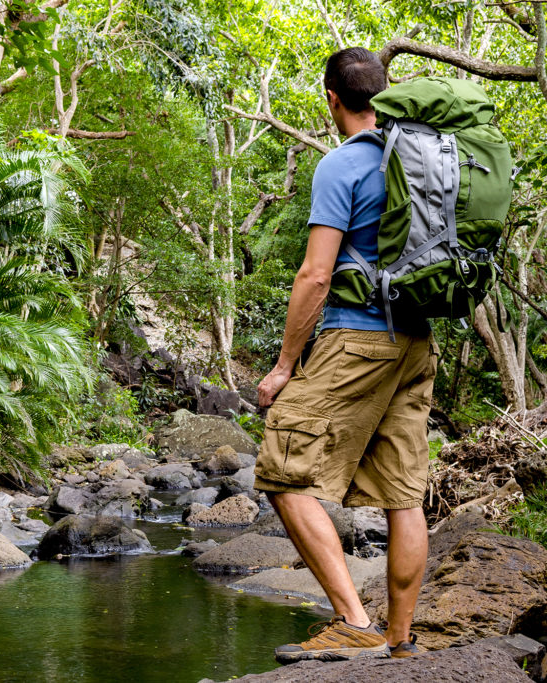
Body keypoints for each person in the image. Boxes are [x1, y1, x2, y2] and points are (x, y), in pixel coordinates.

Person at [254, 47, 436, 663]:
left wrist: (284, 367)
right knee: (403, 495)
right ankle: (400, 642)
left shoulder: (344, 164)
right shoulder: (421, 159)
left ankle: (354, 618)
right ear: (385, 95)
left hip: (358, 338)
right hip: (415, 342)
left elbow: (314, 276)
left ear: (333, 98)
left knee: (281, 466)